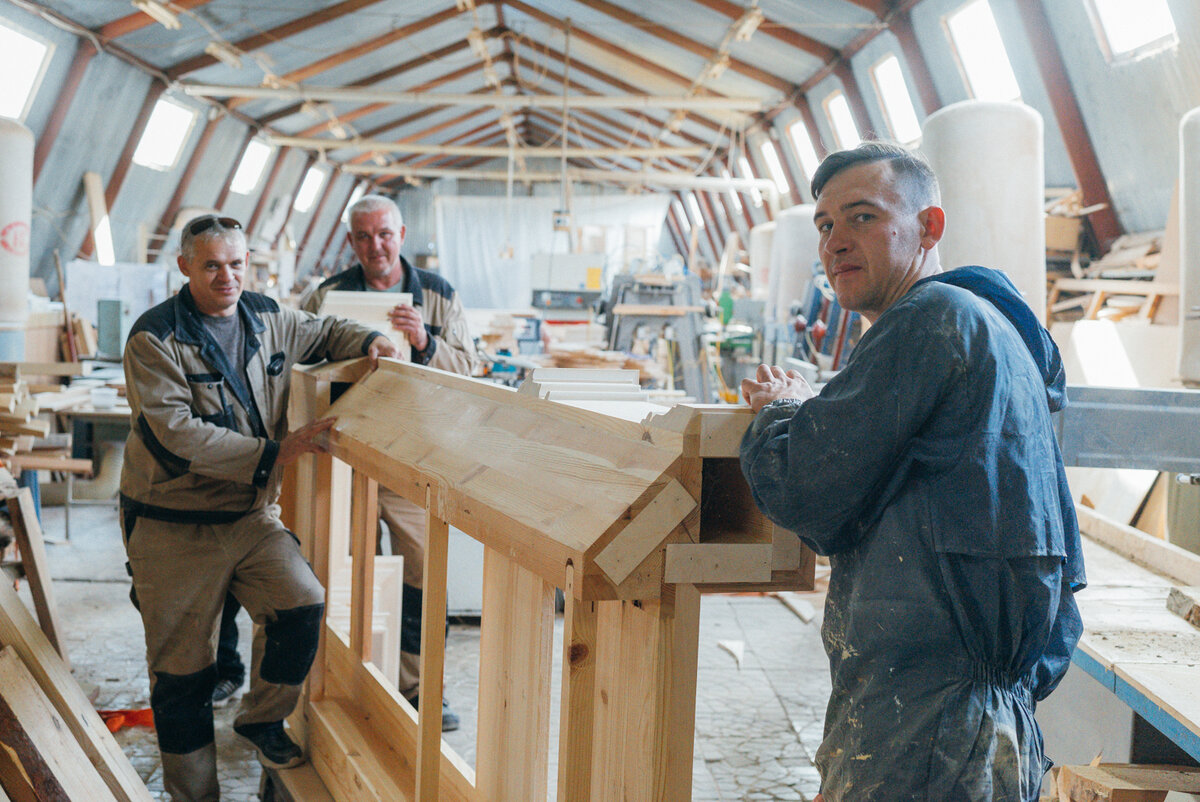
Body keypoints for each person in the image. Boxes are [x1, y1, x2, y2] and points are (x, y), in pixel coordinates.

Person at [739, 142, 1085, 802]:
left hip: (922, 730)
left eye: (862, 217)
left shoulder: (929, 321)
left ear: (929, 227)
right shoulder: (996, 333)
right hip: (983, 724)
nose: (835, 241)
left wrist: (783, 409)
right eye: (824, 225)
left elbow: (803, 482)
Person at [120, 214, 398, 802]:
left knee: (302, 603)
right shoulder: (154, 338)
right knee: (184, 677)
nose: (228, 277)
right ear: (185, 267)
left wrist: (370, 343)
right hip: (174, 523)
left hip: (248, 517)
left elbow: (326, 330)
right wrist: (278, 450)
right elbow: (178, 434)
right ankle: (195, 795)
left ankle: (261, 718)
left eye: (237, 264)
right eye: (213, 265)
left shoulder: (269, 316)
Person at [302, 194, 480, 732]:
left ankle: (420, 689)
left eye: (384, 235)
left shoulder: (438, 295)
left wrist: (423, 341)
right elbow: (300, 365)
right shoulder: (328, 296)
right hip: (346, 456)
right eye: (363, 236)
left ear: (401, 235)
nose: (375, 246)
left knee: (424, 579)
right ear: (350, 240)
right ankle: (347, 683)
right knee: (342, 573)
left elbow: (470, 372)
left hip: (412, 455)